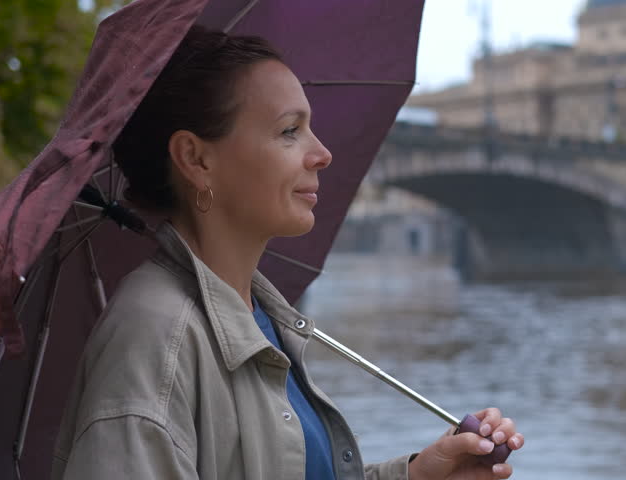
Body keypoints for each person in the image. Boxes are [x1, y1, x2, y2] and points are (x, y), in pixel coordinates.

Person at [51, 25, 524, 480]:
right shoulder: (154, 342)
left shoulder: (259, 317)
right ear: (196, 159)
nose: (322, 154)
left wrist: (418, 476)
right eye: (289, 131)